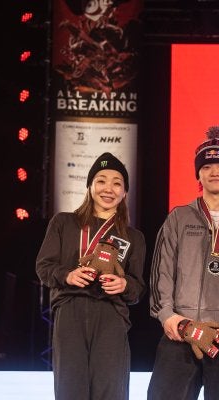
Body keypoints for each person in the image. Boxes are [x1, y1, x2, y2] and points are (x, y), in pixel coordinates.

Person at [147, 126, 219, 399]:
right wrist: (168, 316)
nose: (214, 172)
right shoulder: (179, 217)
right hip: (181, 329)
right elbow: (162, 271)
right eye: (207, 167)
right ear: (198, 174)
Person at [35, 152, 146, 400]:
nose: (109, 189)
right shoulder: (64, 223)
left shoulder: (133, 237)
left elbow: (137, 288)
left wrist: (123, 284)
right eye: (101, 180)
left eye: (117, 183)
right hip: (70, 310)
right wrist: (68, 275)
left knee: (110, 389)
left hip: (111, 314)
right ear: (90, 186)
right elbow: (44, 266)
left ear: (124, 192)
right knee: (70, 389)